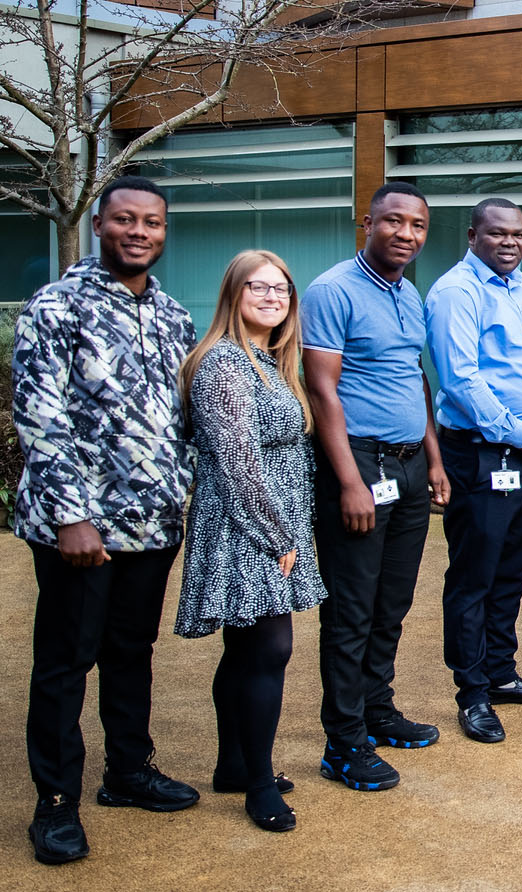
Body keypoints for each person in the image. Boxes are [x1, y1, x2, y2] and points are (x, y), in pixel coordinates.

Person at [15, 176, 199, 865]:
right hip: (81, 529)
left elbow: (182, 419)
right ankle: (56, 802)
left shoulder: (174, 316)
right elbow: (40, 417)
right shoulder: (55, 307)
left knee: (132, 653)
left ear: (162, 231)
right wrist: (71, 517)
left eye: (151, 222)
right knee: (66, 661)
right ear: (100, 224)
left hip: (151, 524)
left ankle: (129, 770)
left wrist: (182, 489)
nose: (139, 231)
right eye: (125, 219)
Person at [303, 181, 450, 790]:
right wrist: (349, 481)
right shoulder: (331, 291)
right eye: (394, 222)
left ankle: (376, 709)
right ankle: (343, 741)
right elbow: (322, 389)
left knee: (392, 602)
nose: (406, 235)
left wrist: (434, 460)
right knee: (352, 609)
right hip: (360, 465)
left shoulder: (408, 293)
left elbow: (415, 379)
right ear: (367, 222)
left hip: (411, 466)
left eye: (417, 226)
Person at [174, 250, 328, 832]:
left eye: (282, 289)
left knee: (244, 651)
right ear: (232, 295)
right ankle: (258, 784)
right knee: (269, 650)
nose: (272, 297)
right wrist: (276, 535)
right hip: (249, 526)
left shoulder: (269, 361)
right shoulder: (221, 365)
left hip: (274, 521)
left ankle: (234, 764)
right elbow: (237, 460)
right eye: (258, 288)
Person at [427, 198, 522, 743]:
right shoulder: (456, 293)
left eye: (518, 234)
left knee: (511, 571)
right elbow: (461, 380)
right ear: (472, 235)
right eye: (498, 233)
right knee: (473, 577)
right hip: (483, 454)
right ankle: (472, 693)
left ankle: (501, 673)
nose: (509, 242)